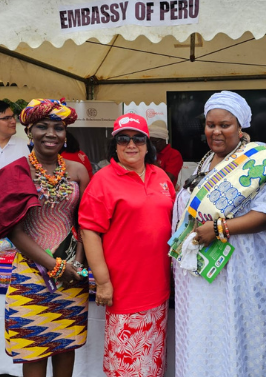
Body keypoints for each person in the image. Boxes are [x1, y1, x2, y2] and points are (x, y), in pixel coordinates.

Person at [168, 91, 266, 377]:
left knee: (234, 331)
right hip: (200, 272)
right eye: (211, 125)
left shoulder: (260, 159)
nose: (216, 131)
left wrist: (220, 228)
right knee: (203, 333)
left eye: (225, 125)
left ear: (240, 126)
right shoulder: (206, 160)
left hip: (239, 270)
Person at [0, 98, 91, 377]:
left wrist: (77, 266)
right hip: (31, 274)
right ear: (30, 131)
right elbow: (13, 229)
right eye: (42, 126)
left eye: (58, 127)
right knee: (34, 347)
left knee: (65, 345)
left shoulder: (78, 171)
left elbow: (85, 223)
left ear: (66, 133)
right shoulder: (17, 172)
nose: (51, 133)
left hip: (72, 276)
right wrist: (54, 266)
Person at [79, 113, 175, 377]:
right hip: (124, 291)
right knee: (128, 365)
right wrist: (103, 281)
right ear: (115, 144)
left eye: (138, 138)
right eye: (123, 139)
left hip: (158, 289)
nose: (131, 145)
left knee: (152, 364)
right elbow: (89, 232)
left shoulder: (161, 177)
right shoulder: (103, 180)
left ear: (148, 144)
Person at [148, 120, 183, 186]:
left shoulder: (174, 155)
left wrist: (151, 159)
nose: (151, 145)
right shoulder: (148, 152)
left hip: (164, 193)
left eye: (154, 142)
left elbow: (168, 179)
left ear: (163, 140)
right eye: (150, 142)